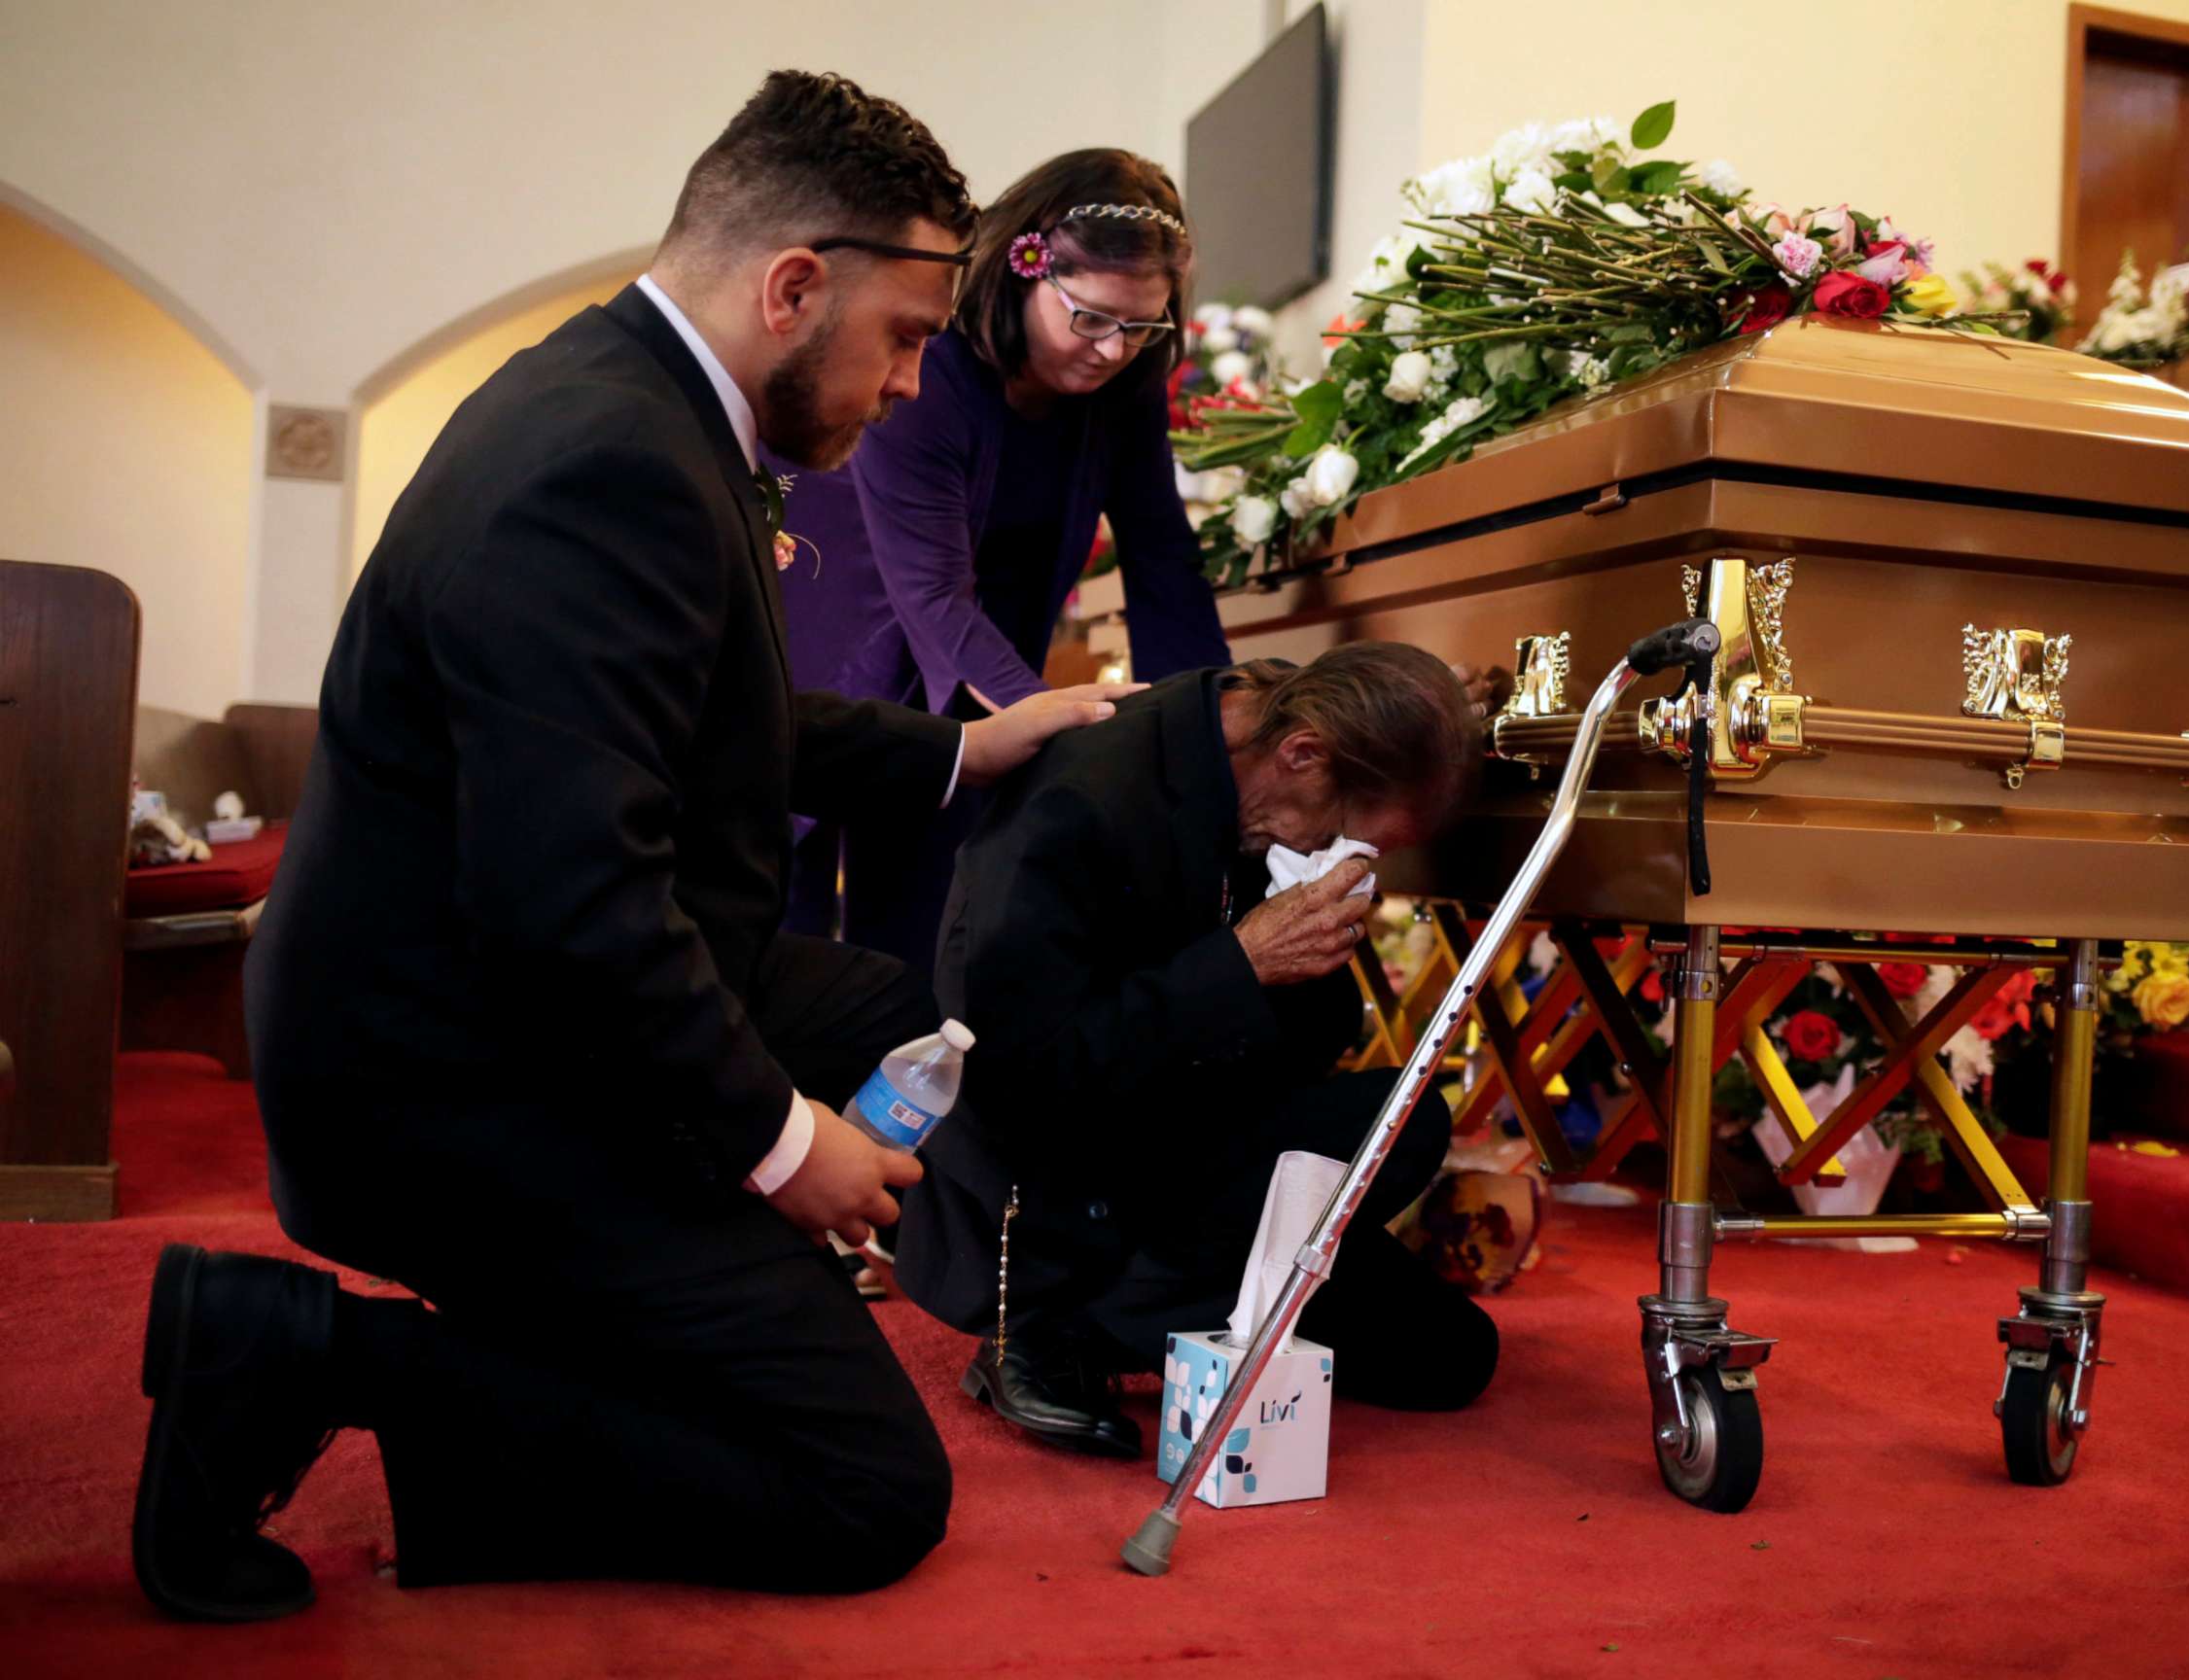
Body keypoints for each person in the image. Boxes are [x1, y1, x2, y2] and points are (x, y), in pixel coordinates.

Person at [131, 72, 1135, 1622]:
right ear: (794, 285)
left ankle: (728, 1285)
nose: (917, 387)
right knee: (866, 1487)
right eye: (909, 339)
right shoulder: (603, 463)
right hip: (444, 1081)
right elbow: (570, 907)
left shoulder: (640, 407)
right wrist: (790, 1151)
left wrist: (971, 742)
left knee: (891, 1013)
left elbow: (721, 713)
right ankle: (298, 1351)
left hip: (491, 999)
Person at [894, 644, 1502, 1457]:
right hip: (1051, 1185)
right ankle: (1052, 1329)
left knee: (1449, 1353)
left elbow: (1297, 1052)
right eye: (1342, 831)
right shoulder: (1087, 797)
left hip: (1178, 1127)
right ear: (1304, 753)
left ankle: (1154, 1313)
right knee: (1388, 1145)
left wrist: (1298, 949)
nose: (1334, 849)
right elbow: (1019, 1075)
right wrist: (1240, 964)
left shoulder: (1256, 750)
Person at [763, 148, 1228, 963]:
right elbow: (934, 596)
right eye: (1090, 318)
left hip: (986, 650)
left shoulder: (1122, 379)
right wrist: (1081, 731)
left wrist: (1212, 730)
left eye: (1140, 326)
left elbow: (1162, 559)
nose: (1113, 350)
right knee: (789, 914)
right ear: (1026, 271)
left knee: (930, 937)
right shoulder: (928, 369)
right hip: (852, 623)